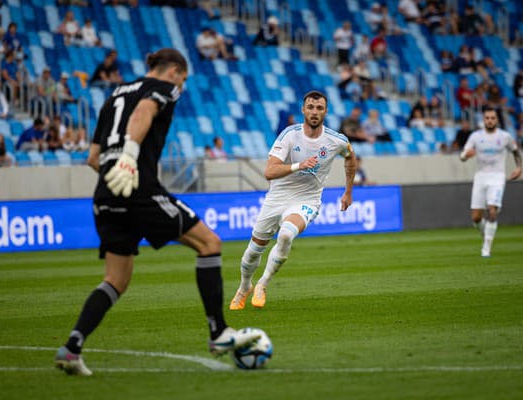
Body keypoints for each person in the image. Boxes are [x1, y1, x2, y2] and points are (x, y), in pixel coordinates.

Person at [54, 48, 260, 376]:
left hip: (107, 191)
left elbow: (93, 157)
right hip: (139, 186)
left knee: (115, 280)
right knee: (210, 244)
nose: (183, 85)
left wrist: (116, 175)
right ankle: (218, 333)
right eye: (184, 78)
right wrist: (129, 159)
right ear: (174, 71)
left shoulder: (113, 96)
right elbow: (143, 113)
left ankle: (72, 347)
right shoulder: (164, 88)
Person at [229, 90, 356, 310]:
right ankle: (244, 287)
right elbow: (269, 171)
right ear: (303, 110)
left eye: (319, 108)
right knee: (253, 250)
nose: (314, 112)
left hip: (307, 199)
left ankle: (262, 284)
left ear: (326, 111)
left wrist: (348, 191)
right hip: (277, 197)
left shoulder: (337, 141)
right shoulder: (290, 134)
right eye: (310, 107)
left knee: (287, 234)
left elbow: (350, 158)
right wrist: (299, 165)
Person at [459, 107, 521, 257]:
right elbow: (462, 155)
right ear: (483, 119)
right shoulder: (475, 136)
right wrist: (466, 155)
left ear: (497, 120)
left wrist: (519, 167)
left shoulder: (505, 136)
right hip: (480, 177)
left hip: (497, 177)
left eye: (493, 118)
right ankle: (486, 232)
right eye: (487, 118)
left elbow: (515, 151)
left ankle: (486, 248)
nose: (490, 120)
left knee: (492, 210)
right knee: (476, 218)